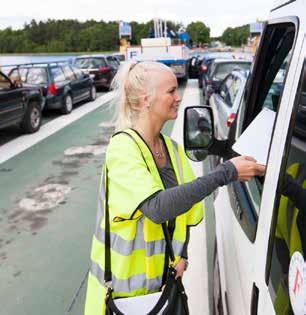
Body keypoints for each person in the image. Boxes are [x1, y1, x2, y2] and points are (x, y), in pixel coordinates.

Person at [84, 61, 266, 315]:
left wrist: (182, 254)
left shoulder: (171, 148)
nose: (178, 97)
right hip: (124, 295)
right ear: (147, 99)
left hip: (163, 288)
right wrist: (228, 172)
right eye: (171, 91)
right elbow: (157, 208)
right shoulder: (123, 149)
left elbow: (185, 210)